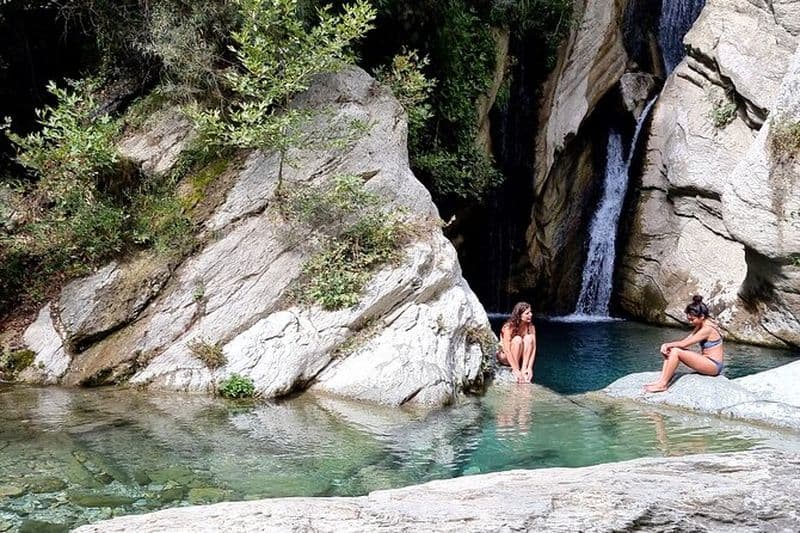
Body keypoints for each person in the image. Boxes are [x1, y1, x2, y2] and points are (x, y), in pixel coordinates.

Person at [644, 295, 725, 393]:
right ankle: (661, 381)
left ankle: (663, 385)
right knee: (672, 350)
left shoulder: (707, 329)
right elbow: (688, 339)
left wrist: (667, 344)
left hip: (713, 365)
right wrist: (669, 346)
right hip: (707, 361)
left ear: (702, 316)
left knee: (676, 351)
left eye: (692, 319)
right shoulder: (701, 323)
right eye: (689, 319)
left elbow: (684, 344)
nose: (690, 322)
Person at [496, 302, 537, 383]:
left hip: (518, 356)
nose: (531, 314)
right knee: (517, 339)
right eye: (527, 313)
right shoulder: (508, 327)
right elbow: (507, 350)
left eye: (530, 312)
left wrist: (529, 367)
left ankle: (524, 369)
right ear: (519, 315)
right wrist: (515, 369)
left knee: (529, 338)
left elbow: (534, 348)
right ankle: (516, 369)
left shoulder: (531, 327)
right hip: (505, 356)